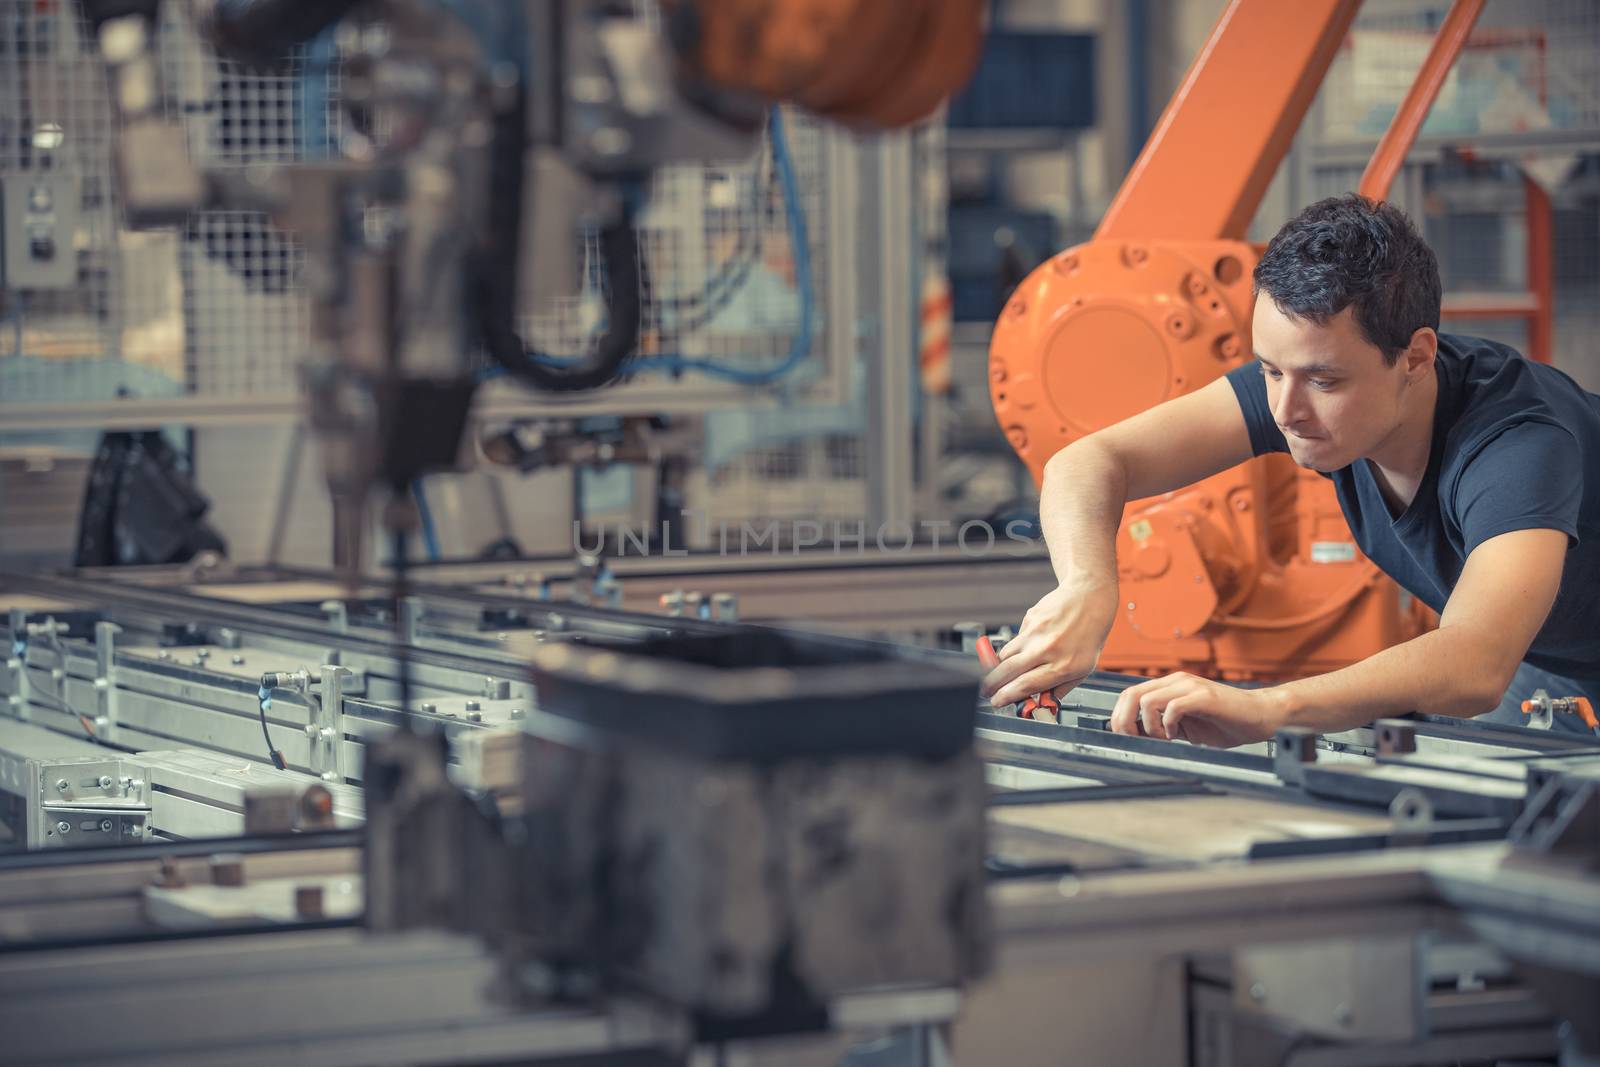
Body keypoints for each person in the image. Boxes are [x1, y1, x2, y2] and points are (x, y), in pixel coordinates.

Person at [981, 194, 1600, 744]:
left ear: (1415, 357)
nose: (1284, 409)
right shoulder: (1319, 391)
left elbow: (1474, 664)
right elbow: (1089, 461)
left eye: (1323, 381)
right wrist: (1087, 586)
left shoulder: (1517, 447)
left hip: (1525, 657)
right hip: (1554, 660)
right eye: (1271, 370)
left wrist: (1271, 708)